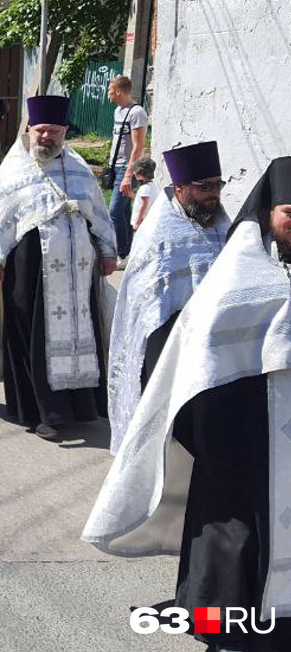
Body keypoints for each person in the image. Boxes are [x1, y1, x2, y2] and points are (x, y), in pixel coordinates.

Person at [83, 156, 291, 652]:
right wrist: (224, 440)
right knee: (236, 536)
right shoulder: (238, 282)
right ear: (268, 215)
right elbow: (199, 364)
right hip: (246, 440)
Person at [0, 95, 118, 442]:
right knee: (34, 339)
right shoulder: (14, 171)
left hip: (78, 277)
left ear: (64, 132)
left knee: (83, 337)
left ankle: (80, 407)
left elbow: (99, 216)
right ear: (29, 130)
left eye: (55, 132)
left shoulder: (77, 168)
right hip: (30, 272)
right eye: (41, 130)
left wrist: (107, 250)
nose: (47, 138)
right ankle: (40, 412)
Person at [105, 140, 229, 454]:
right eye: (205, 187)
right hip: (168, 343)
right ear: (180, 187)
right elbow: (146, 305)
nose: (214, 194)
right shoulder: (157, 233)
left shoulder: (224, 225)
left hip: (216, 343)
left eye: (218, 185)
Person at [107, 74, 149, 264]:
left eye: (110, 91)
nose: (108, 95)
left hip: (127, 167)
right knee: (123, 212)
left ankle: (122, 254)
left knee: (114, 211)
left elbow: (138, 147)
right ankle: (131, 251)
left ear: (118, 91)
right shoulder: (118, 111)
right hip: (115, 166)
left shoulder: (137, 112)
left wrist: (128, 175)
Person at [129, 156, 157, 232]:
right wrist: (131, 194)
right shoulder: (152, 185)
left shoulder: (144, 188)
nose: (134, 173)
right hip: (148, 221)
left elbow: (143, 205)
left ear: (140, 173)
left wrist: (137, 222)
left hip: (142, 222)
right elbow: (142, 200)